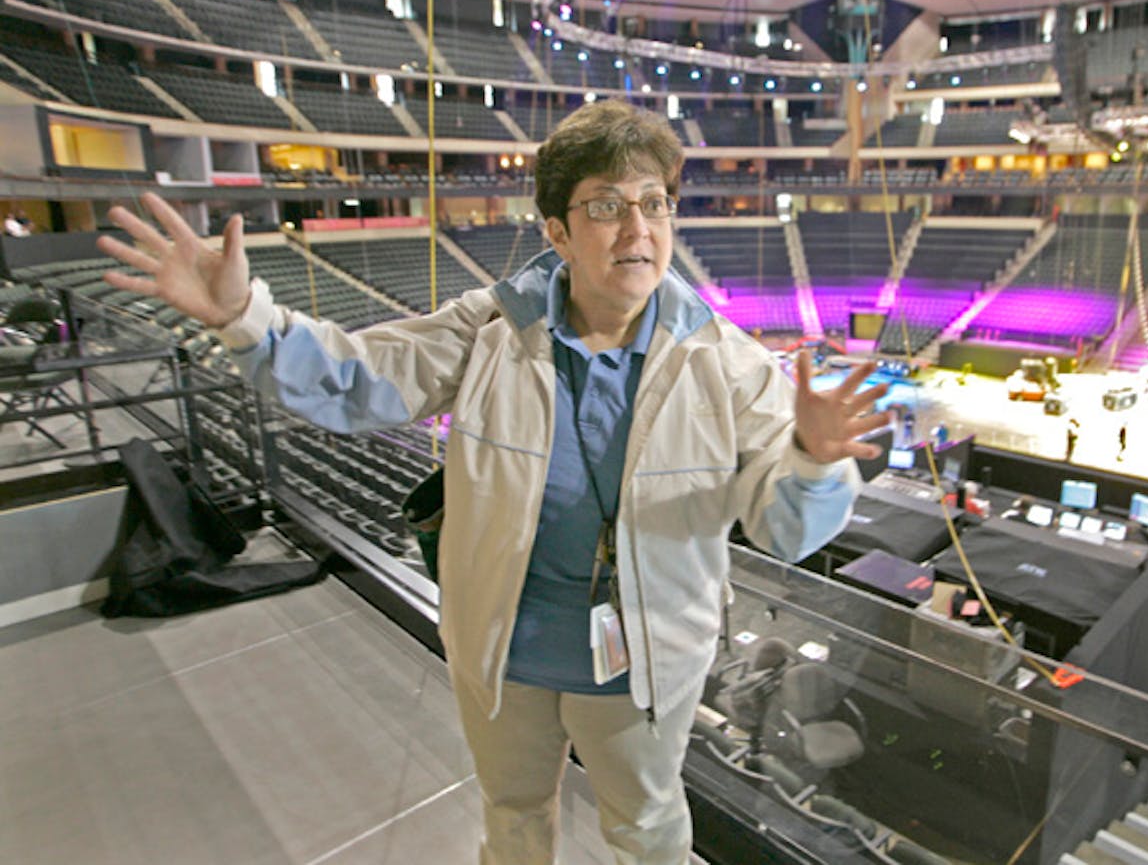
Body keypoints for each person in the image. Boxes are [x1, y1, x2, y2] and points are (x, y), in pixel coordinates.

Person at [96, 101, 893, 865]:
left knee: (647, 827)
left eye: (655, 202)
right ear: (557, 231)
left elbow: (787, 530)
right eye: (607, 205)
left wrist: (814, 460)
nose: (639, 227)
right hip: (503, 649)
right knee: (511, 816)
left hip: (644, 664)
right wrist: (247, 319)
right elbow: (365, 376)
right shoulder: (490, 327)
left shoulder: (732, 364)